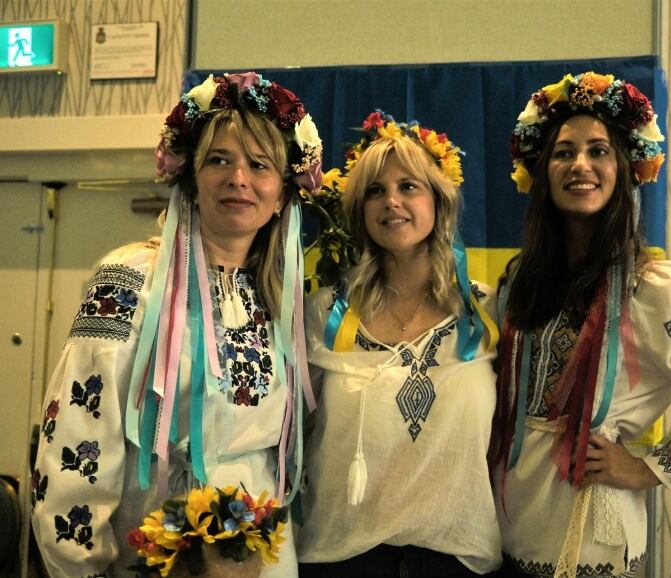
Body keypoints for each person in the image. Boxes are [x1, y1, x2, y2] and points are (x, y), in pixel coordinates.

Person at [30, 71, 322, 577]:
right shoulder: (129, 279)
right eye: (219, 160)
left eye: (259, 165)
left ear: (281, 197)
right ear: (190, 179)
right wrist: (80, 567)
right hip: (155, 553)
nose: (238, 178)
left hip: (262, 560)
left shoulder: (280, 299)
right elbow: (78, 435)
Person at [493, 71, 671, 578]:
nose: (581, 164)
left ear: (625, 170)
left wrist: (646, 469)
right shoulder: (520, 283)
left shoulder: (655, 288)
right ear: (542, 172)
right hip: (508, 527)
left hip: (591, 539)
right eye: (564, 152)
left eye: (598, 151)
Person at [297, 110, 502, 577]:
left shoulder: (487, 313)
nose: (391, 201)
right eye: (376, 190)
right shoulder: (323, 315)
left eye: (408, 186)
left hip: (458, 559)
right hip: (341, 560)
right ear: (360, 210)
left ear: (439, 201)